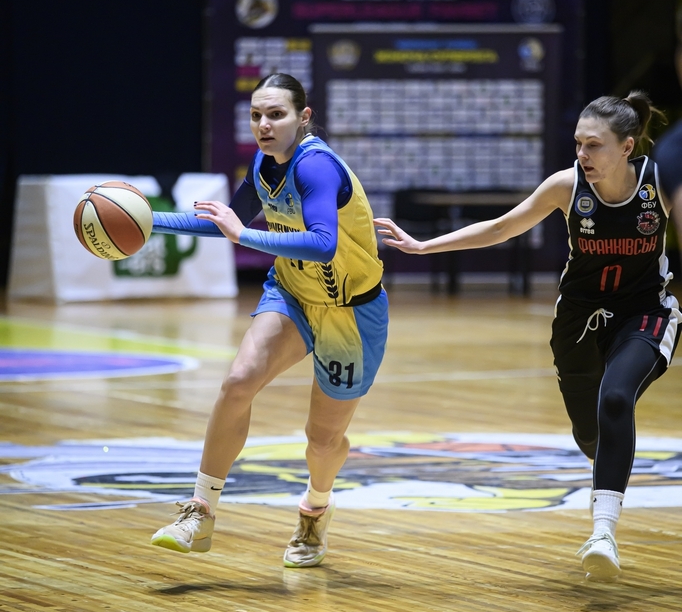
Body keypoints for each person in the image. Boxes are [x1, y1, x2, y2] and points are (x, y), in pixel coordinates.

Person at [375, 92, 680, 581]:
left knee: (616, 398)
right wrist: (424, 246)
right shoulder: (566, 186)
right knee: (590, 434)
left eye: (594, 145)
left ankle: (602, 532)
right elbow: (502, 227)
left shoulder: (660, 184)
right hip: (579, 320)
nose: (582, 154)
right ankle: (606, 461)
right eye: (578, 144)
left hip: (645, 314)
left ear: (627, 147)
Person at [150, 72, 388, 567]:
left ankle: (315, 509)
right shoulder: (264, 164)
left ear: (303, 117)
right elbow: (226, 224)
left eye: (275, 115)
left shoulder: (316, 167)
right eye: (256, 115)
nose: (263, 124)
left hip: (351, 311)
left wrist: (242, 235)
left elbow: (322, 243)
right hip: (293, 293)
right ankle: (200, 512)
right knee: (238, 381)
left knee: (322, 440)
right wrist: (146, 220)